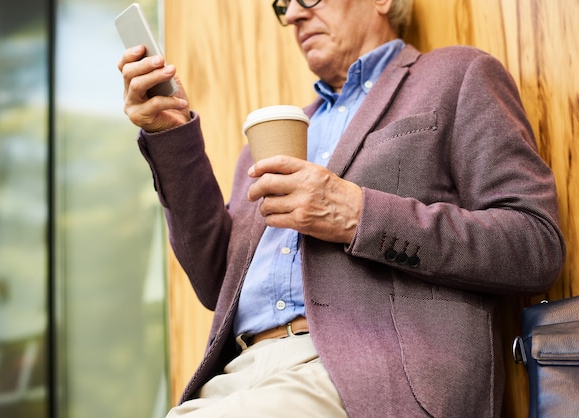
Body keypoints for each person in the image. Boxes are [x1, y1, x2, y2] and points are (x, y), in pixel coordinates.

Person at [118, 0, 566, 416]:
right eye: (283, 3)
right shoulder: (272, 136)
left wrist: (357, 214)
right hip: (237, 375)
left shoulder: (458, 74)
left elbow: (535, 244)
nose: (293, 13)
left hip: (371, 376)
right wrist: (170, 137)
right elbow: (218, 286)